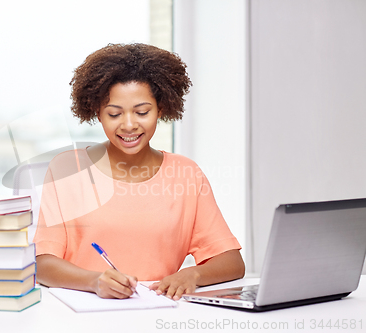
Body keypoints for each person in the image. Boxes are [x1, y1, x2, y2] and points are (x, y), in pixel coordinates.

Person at [33, 43, 245, 301]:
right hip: (83, 316)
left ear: (161, 110)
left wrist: (193, 275)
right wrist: (94, 282)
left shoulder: (186, 174)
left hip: (158, 316)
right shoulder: (68, 170)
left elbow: (232, 261)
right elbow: (43, 264)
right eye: (114, 114)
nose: (129, 125)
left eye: (142, 112)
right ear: (97, 113)